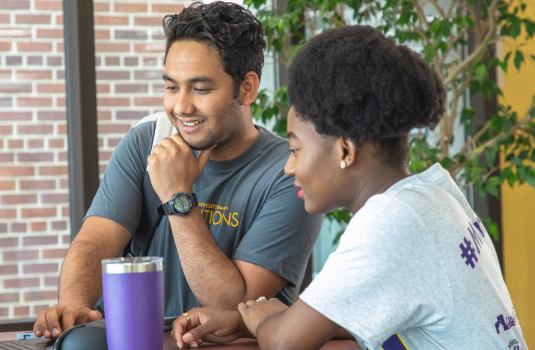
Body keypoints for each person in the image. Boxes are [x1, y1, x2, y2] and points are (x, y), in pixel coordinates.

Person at [171, 25, 529, 350]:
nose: (288, 165)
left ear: (345, 150)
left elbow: (284, 343)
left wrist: (264, 320)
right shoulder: (432, 195)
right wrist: (244, 320)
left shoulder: (389, 220)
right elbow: (351, 312)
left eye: (295, 149)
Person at [32, 1, 323, 340]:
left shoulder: (289, 172)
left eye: (200, 89)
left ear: (246, 88)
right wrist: (73, 307)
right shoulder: (147, 140)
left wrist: (177, 196)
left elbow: (237, 307)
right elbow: (96, 241)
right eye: (172, 87)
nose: (181, 107)